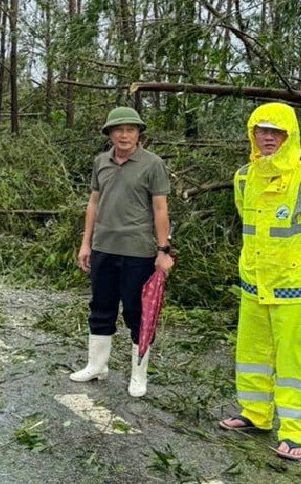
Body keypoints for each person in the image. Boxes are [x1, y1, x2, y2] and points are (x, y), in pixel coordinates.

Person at [218, 102, 301, 462]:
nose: (269, 137)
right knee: (253, 352)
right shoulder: (244, 177)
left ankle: (296, 432)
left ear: (289, 136)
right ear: (252, 134)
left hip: (295, 286)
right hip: (254, 282)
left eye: (277, 131)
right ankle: (255, 415)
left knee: (297, 361)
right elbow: (248, 220)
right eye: (263, 130)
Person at [70, 106, 174, 397]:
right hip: (103, 248)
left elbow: (160, 208)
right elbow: (93, 203)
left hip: (138, 252)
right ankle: (97, 366)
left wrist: (163, 249)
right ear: (110, 134)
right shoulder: (100, 162)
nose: (124, 135)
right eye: (118, 130)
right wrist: (85, 243)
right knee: (101, 307)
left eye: (130, 129)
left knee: (136, 312)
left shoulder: (152, 164)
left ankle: (138, 375)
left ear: (139, 133)